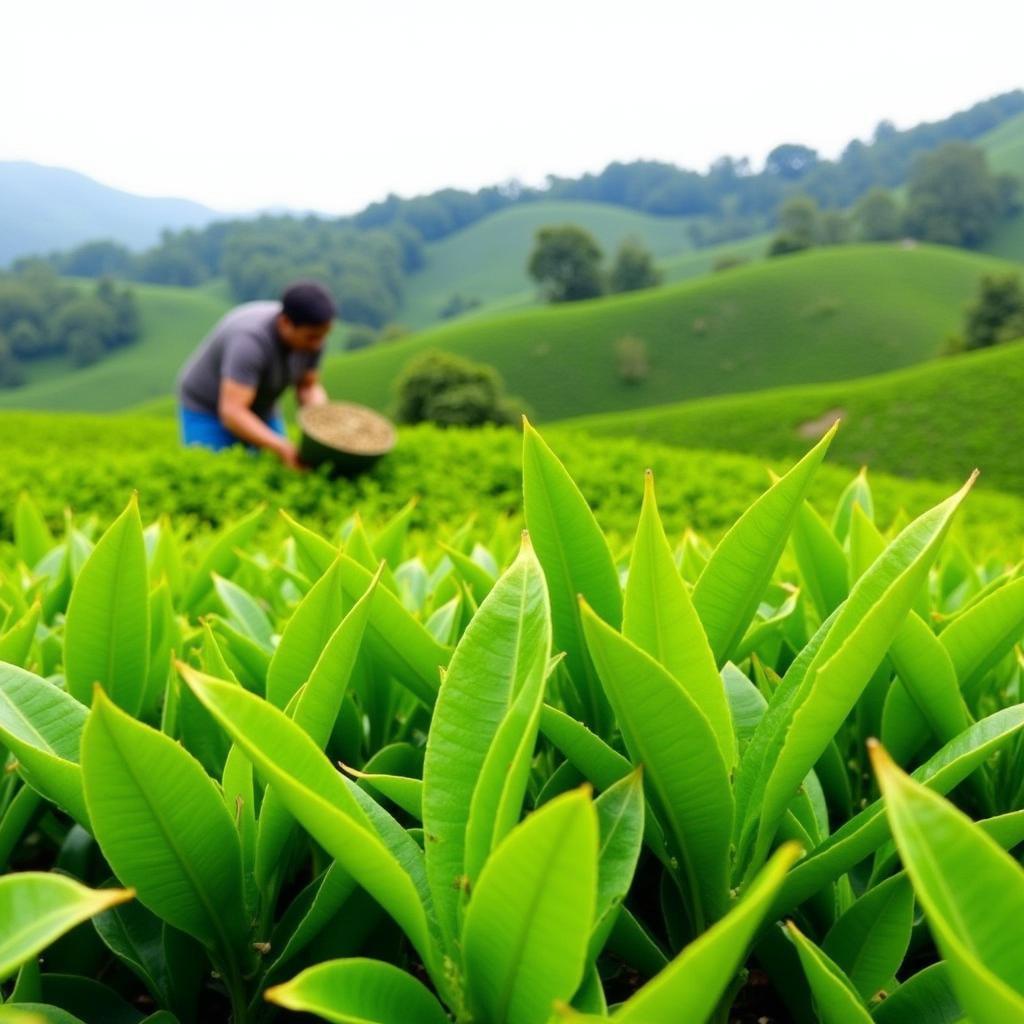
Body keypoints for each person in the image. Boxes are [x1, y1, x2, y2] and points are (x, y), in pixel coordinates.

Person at [176, 281, 335, 468]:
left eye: (323, 335)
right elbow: (232, 411)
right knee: (212, 472)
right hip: (208, 409)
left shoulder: (313, 337)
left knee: (279, 468)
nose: (318, 345)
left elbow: (307, 386)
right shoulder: (249, 341)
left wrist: (324, 425)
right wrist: (282, 447)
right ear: (285, 323)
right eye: (312, 337)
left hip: (262, 406)